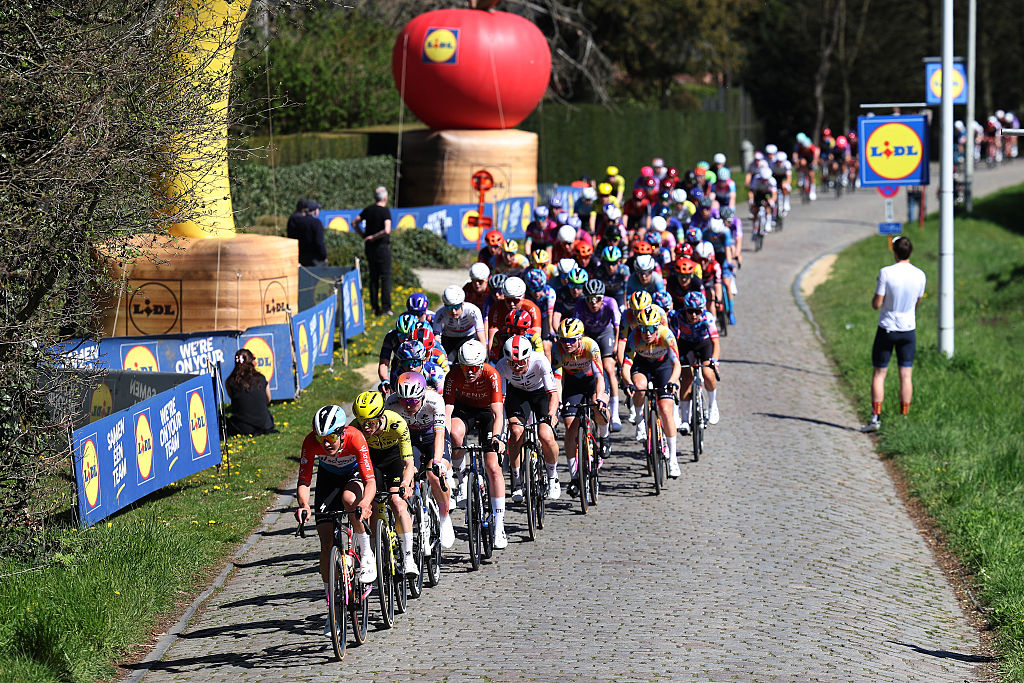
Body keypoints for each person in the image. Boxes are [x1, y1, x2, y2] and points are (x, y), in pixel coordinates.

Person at [294, 405, 376, 636]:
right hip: (328, 480)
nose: (325, 443)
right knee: (326, 542)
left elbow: (370, 481)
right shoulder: (311, 442)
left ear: (341, 433)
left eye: (330, 437)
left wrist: (365, 504)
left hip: (354, 476)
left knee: (350, 500)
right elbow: (304, 480)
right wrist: (303, 505)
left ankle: (366, 553)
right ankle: (331, 609)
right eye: (321, 438)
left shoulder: (355, 437)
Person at [444, 340, 508, 548]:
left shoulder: (492, 374)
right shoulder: (453, 375)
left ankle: (499, 526)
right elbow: (447, 411)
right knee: (454, 434)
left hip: (487, 414)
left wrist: (497, 437)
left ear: (481, 365)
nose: (469, 372)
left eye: (473, 368)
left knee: (493, 467)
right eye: (465, 367)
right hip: (464, 411)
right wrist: (443, 438)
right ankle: (461, 479)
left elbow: (498, 413)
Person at [350, 391, 419, 575]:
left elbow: (408, 462)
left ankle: (409, 557)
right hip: (372, 461)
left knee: (397, 501)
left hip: (394, 458)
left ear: (381, 416)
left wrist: (405, 482)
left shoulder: (397, 423)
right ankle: (374, 552)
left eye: (371, 422)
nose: (365, 427)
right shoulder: (355, 427)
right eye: (362, 422)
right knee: (373, 503)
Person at [862, 236, 926, 432]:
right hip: (908, 329)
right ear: (911, 252)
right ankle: (903, 417)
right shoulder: (920, 275)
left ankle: (876, 418)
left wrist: (877, 299)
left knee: (880, 373)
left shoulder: (886, 273)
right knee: (906, 375)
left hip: (887, 327)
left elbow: (877, 304)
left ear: (894, 252)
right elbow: (917, 303)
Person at [354, 187, 393, 316]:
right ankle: (386, 307)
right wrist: (374, 237)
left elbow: (354, 222)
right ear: (385, 198)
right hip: (382, 247)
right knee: (385, 277)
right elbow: (387, 230)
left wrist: (364, 236)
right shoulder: (385, 211)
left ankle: (375, 307)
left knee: (373, 277)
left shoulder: (368, 210)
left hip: (370, 248)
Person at [224, 349, 277, 436]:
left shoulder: (230, 381)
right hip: (265, 425)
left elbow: (232, 398)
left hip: (243, 428)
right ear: (252, 361)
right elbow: (268, 399)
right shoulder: (262, 378)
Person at [287, 199, 328, 268]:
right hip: (315, 260)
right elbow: (319, 243)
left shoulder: (297, 222)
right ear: (316, 211)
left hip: (300, 258)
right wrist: (324, 256)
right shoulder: (316, 223)